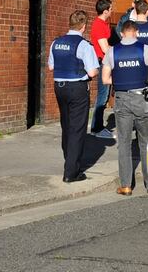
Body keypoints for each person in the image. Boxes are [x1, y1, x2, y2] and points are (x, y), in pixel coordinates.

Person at [103, 20, 148, 195]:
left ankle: (126, 185)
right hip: (142, 99)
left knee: (124, 143)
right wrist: (145, 78)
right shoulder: (146, 50)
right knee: (146, 142)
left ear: (122, 33)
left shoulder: (112, 52)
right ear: (136, 32)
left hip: (122, 99)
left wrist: (122, 80)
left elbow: (106, 80)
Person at [48, 10, 100, 183]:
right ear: (84, 26)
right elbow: (92, 71)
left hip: (59, 87)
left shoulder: (56, 42)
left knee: (66, 125)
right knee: (77, 129)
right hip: (77, 87)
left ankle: (68, 159)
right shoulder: (85, 45)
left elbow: (50, 67)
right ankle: (71, 172)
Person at [89, 0, 116, 139]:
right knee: (102, 96)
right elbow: (105, 48)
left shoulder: (103, 24)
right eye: (111, 8)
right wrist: (120, 50)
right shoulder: (99, 25)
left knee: (104, 96)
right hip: (102, 63)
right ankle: (96, 128)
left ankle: (98, 127)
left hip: (105, 62)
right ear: (105, 10)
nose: (112, 11)